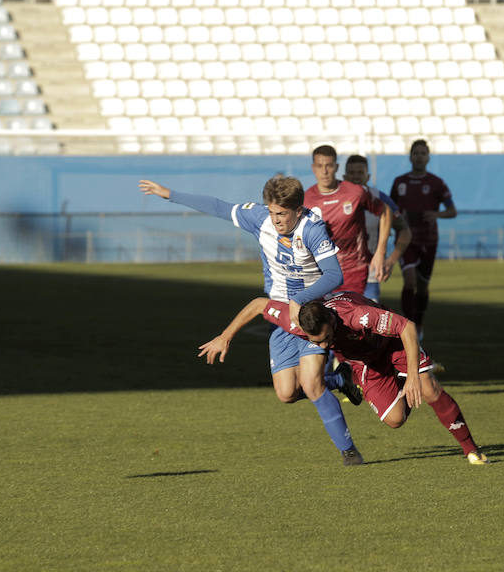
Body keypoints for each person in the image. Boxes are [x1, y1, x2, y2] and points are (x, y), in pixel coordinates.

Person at [138, 175, 364, 465]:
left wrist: (300, 300)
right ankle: (338, 378)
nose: (276, 219)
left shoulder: (312, 229)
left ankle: (349, 451)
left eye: (282, 214)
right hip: (280, 315)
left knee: (310, 383)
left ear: (298, 209)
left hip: (311, 313)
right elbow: (219, 207)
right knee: (286, 394)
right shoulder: (259, 218)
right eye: (272, 212)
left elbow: (334, 275)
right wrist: (169, 194)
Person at [198, 292, 489, 465]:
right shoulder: (299, 323)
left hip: (394, 345)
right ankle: (364, 378)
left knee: (428, 388)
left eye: (325, 339)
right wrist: (225, 337)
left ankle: (471, 451)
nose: (323, 346)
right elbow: (259, 304)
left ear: (331, 321)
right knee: (395, 420)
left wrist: (413, 374)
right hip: (365, 363)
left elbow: (407, 327)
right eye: (316, 341)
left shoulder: (358, 316)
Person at [389, 139, 456, 337]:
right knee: (409, 281)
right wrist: (397, 222)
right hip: (406, 240)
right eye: (415, 153)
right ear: (410, 157)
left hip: (428, 240)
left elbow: (452, 211)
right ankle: (408, 326)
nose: (419, 156)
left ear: (428, 157)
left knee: (423, 287)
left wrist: (436, 215)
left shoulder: (436, 183)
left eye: (422, 153)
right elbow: (391, 209)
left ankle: (419, 322)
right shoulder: (399, 182)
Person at [303, 145, 392, 295]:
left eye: (329, 165)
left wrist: (380, 252)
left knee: (347, 315)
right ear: (313, 168)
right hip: (320, 272)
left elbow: (385, 211)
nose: (324, 171)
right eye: (319, 166)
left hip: (354, 269)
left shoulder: (355, 192)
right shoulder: (306, 200)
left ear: (337, 167)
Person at [343, 154, 412, 303]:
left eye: (360, 173)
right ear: (344, 176)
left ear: (367, 176)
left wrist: (390, 260)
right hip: (338, 277)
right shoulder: (334, 199)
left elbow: (405, 231)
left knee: (367, 323)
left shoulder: (380, 199)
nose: (356, 177)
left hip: (369, 276)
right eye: (351, 173)